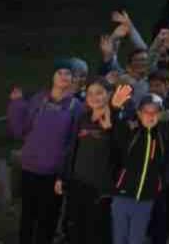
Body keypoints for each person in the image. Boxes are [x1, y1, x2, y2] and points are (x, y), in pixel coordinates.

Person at [7, 60, 82, 244]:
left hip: (54, 172)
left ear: (73, 80)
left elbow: (73, 143)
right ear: (53, 77)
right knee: (27, 215)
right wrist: (16, 105)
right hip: (30, 167)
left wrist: (64, 173)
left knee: (47, 218)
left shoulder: (76, 107)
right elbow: (20, 130)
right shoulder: (39, 99)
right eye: (60, 72)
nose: (64, 76)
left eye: (68, 74)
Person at [108, 89, 169, 244]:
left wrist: (160, 184)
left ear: (161, 115)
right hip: (122, 195)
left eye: (155, 112)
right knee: (119, 238)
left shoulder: (164, 136)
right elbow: (114, 127)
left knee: (136, 239)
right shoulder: (131, 132)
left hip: (146, 199)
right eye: (146, 111)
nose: (150, 116)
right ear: (138, 113)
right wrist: (115, 108)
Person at [58, 79, 115, 244]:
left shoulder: (116, 119)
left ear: (109, 94)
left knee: (98, 232)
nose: (94, 97)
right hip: (78, 184)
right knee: (75, 229)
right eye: (90, 93)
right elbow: (71, 149)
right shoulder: (82, 118)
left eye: (99, 93)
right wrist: (63, 177)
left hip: (101, 188)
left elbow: (120, 151)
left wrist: (110, 129)